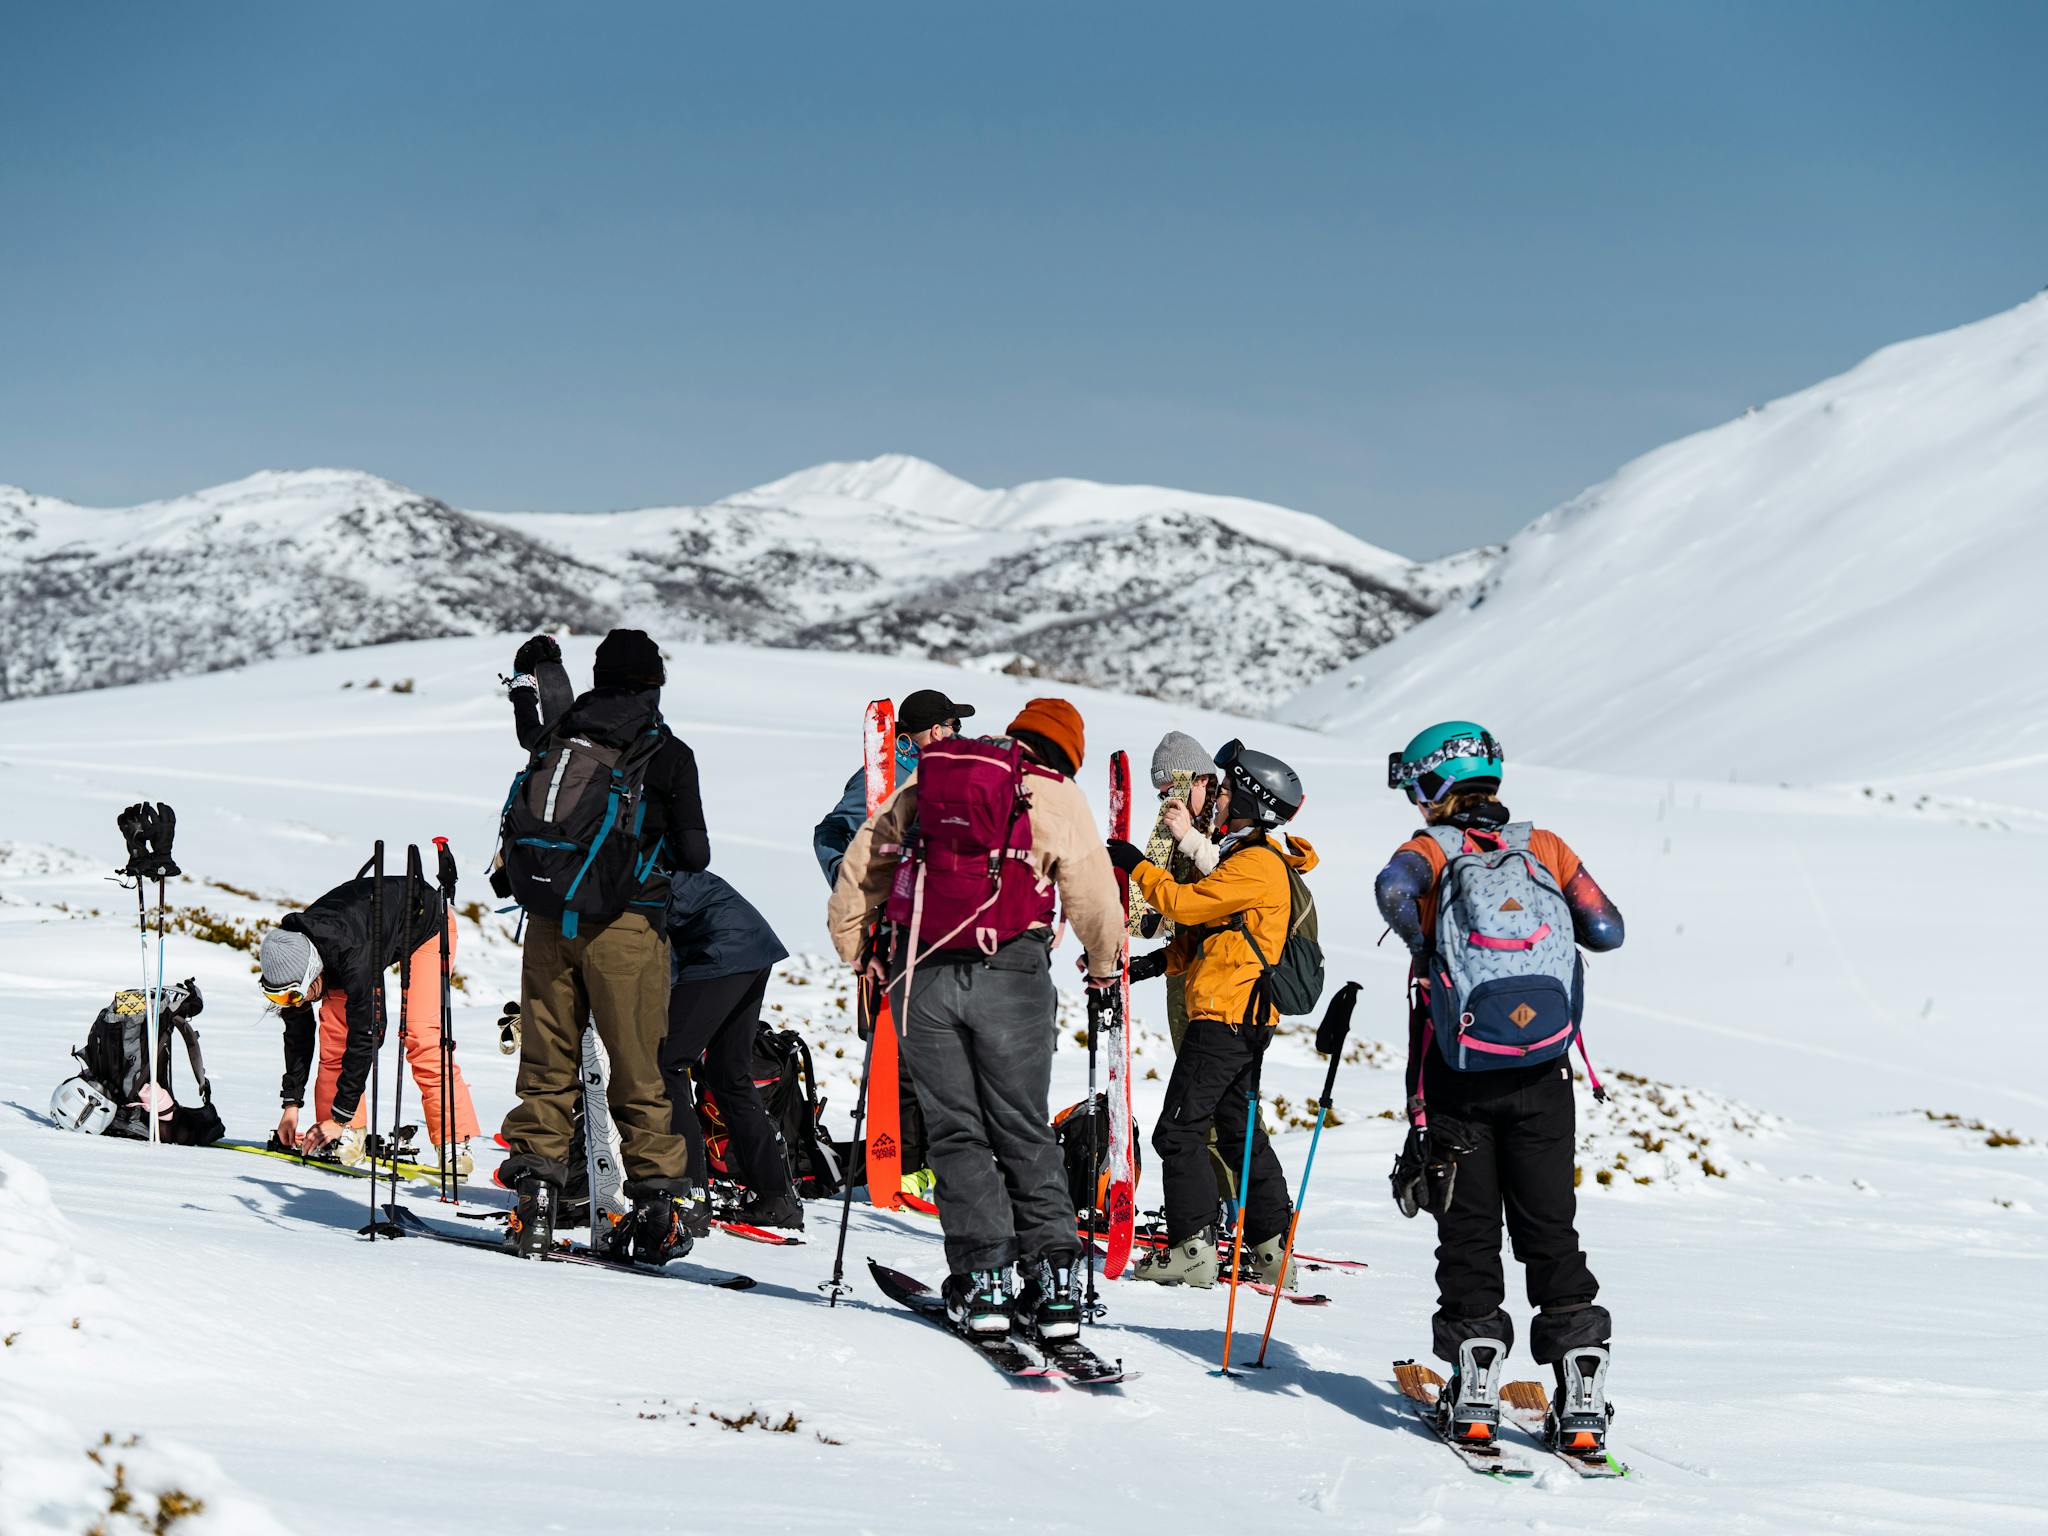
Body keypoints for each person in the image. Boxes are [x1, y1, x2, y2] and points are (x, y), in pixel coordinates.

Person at [828, 697, 1123, 1341]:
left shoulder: (939, 771)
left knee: (956, 1132)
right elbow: (1095, 895)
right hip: (1013, 973)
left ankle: (984, 1280)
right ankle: (1055, 1281)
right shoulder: (1056, 794)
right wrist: (1104, 965)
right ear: (1069, 753)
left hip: (923, 975)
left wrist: (857, 950)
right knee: (1021, 1126)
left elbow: (866, 857)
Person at [1376, 721, 1625, 1451]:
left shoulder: (1428, 850)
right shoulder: (1544, 847)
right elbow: (1606, 929)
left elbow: (1392, 889)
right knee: (1551, 1232)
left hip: (1458, 1075)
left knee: (1471, 1233)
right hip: (1545, 1074)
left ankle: (1476, 1384)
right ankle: (1580, 1386)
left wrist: (1428, 948)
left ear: (1433, 786)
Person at [495, 628, 710, 1263]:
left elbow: (528, 758)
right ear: (656, 683)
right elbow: (696, 853)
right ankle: (654, 1217)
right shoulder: (666, 751)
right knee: (640, 1072)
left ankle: (533, 1205)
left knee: (546, 1065)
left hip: (547, 923)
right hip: (627, 931)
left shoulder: (561, 734)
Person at [1107, 739, 1315, 1290]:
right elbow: (1209, 935)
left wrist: (1135, 866)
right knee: (1239, 1130)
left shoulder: (1256, 864)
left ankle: (1192, 1251)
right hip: (1239, 1018)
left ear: (1247, 800)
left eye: (1224, 792)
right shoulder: (1249, 862)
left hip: (1224, 1018)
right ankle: (1272, 1251)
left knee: (1176, 1132)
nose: (1217, 801)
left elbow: (1184, 906)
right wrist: (1152, 967)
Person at [811, 685, 972, 1199]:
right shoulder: (883, 774)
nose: (950, 734)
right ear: (915, 731)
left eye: (955, 726)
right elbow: (832, 834)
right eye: (942, 726)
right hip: (887, 935)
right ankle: (901, 1163)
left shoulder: (946, 775)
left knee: (937, 1053)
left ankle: (927, 1164)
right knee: (895, 1051)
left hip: (932, 936)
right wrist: (859, 888)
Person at [259, 877, 480, 1169]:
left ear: (313, 974)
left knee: (421, 1033)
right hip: (363, 935)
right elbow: (298, 1034)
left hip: (426, 925)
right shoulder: (287, 956)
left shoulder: (353, 956)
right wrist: (291, 1104)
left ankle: (454, 1141)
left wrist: (339, 1116)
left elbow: (368, 1034)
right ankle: (346, 1135)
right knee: (335, 1038)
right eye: (283, 998)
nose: (293, 1003)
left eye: (295, 995)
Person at [664, 867, 802, 1230]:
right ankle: (777, 1198)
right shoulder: (653, 850)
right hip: (751, 945)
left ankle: (690, 1195)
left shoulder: (630, 864)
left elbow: (662, 954)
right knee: (729, 1076)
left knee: (667, 1065)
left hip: (721, 950)